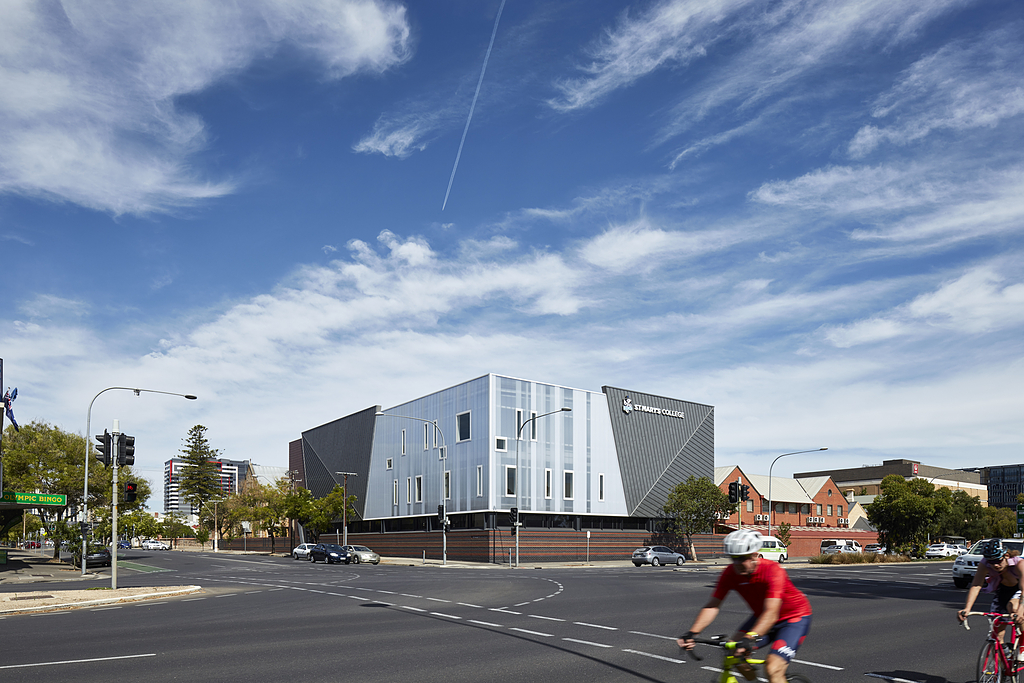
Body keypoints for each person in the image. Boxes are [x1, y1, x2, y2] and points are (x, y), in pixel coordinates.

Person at [678, 529, 812, 683]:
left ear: (755, 554)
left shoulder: (772, 571)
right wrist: (692, 633)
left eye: (742, 558)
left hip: (793, 619)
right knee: (734, 654)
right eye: (733, 559)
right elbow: (712, 606)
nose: (737, 564)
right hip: (762, 617)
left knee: (772, 668)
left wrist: (750, 637)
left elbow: (771, 613)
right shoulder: (730, 574)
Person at [957, 539, 1024, 643]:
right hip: (1002, 591)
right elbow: (976, 585)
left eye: (998, 561)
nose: (995, 565)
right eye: (991, 562)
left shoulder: (1018, 563)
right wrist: (967, 609)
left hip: (1019, 590)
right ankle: (1001, 653)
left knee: (1014, 608)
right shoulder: (984, 564)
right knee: (996, 633)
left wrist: (1021, 610)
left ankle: (1022, 649)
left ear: (1006, 555)